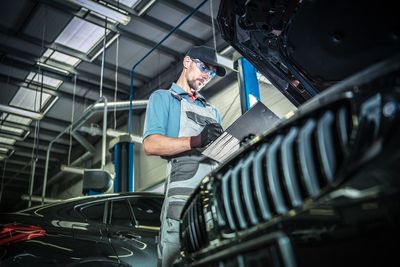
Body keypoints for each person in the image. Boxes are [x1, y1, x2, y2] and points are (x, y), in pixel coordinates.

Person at [143, 46, 226, 267]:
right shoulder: (163, 98)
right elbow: (151, 145)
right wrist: (195, 141)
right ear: (187, 61)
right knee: (176, 256)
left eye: (211, 72)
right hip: (182, 194)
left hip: (212, 193)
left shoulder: (212, 111)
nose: (207, 75)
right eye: (203, 67)